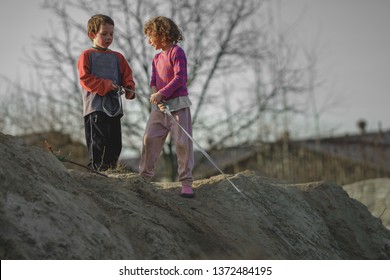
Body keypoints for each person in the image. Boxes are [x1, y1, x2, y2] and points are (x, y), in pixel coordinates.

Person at [140, 16, 195, 198]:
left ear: (161, 34)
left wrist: (162, 93)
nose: (149, 41)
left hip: (178, 105)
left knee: (182, 143)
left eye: (150, 37)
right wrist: (156, 95)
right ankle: (144, 178)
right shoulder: (156, 58)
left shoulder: (177, 52)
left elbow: (180, 79)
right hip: (160, 108)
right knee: (149, 139)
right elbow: (154, 81)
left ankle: (186, 183)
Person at [78, 14, 135, 171]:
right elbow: (85, 79)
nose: (109, 37)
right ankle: (97, 173)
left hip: (114, 108)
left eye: (111, 34)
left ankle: (111, 171)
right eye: (104, 34)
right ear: (92, 34)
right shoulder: (87, 55)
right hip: (95, 108)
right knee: (98, 144)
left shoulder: (118, 57)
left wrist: (130, 88)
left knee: (115, 144)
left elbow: (127, 76)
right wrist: (106, 84)